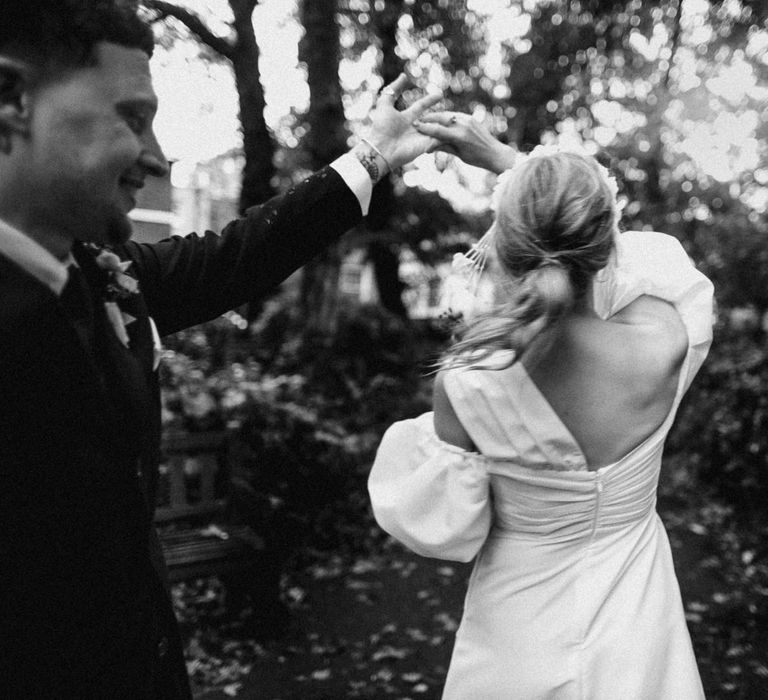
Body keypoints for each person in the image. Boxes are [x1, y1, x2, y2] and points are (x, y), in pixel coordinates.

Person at [0, 2, 441, 698]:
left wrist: (371, 157)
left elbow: (231, 259)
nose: (156, 156)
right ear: (12, 99)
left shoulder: (99, 276)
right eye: (132, 118)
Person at [369, 112, 714, 698]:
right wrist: (514, 164)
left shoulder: (470, 382)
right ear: (602, 244)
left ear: (505, 244)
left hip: (516, 636)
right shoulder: (665, 336)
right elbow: (641, 260)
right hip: (637, 625)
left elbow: (445, 529)